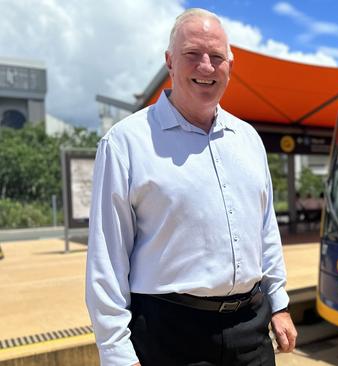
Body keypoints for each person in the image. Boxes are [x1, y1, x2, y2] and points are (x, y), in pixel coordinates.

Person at [85, 8, 297, 366]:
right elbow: (107, 255)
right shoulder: (125, 143)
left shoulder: (248, 139)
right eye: (192, 55)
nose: (205, 66)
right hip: (170, 333)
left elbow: (265, 231)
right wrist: (115, 350)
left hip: (251, 328)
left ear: (230, 65)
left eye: (216, 57)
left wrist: (279, 303)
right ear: (170, 61)